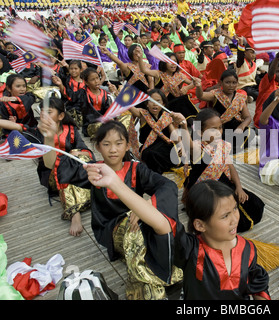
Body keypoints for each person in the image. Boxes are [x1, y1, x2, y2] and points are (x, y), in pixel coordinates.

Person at [84, 162, 270, 300]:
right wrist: (115, 183)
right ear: (199, 225)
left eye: (235, 210)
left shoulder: (249, 249)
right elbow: (159, 222)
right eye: (224, 216)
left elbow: (258, 287)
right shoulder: (191, 250)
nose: (234, 219)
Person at [51, 120, 183, 300]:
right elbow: (57, 167)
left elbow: (167, 186)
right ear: (97, 146)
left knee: (159, 219)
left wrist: (146, 206)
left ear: (128, 145)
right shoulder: (94, 170)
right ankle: (158, 280)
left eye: (119, 143)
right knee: (137, 231)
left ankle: (159, 271)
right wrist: (48, 137)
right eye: (106, 144)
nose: (113, 149)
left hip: (137, 219)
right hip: (110, 227)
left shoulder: (137, 169)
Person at [182, 108, 264, 233]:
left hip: (222, 183)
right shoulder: (198, 147)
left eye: (220, 128)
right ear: (200, 131)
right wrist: (183, 126)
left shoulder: (223, 145)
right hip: (205, 190)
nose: (218, 132)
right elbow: (189, 145)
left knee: (253, 204)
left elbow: (231, 168)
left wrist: (239, 187)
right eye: (213, 129)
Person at [35, 97, 94, 236]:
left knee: (79, 160)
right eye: (42, 112)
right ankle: (75, 214)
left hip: (72, 169)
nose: (44, 116)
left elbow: (87, 152)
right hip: (52, 175)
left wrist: (77, 152)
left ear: (61, 115)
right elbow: (47, 162)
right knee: (63, 166)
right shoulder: (39, 131)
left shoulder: (71, 130)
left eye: (49, 112)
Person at [194, 69, 255, 154]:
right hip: (219, 129)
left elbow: (247, 117)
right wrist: (198, 86)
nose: (231, 85)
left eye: (234, 83)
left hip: (235, 129)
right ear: (221, 83)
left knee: (250, 132)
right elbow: (201, 96)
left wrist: (241, 127)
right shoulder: (215, 94)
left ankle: (229, 149)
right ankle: (225, 148)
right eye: (227, 82)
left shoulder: (240, 97)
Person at [129, 88, 183, 174]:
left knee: (174, 151)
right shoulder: (143, 115)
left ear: (163, 104)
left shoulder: (166, 116)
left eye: (158, 101)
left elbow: (174, 133)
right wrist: (117, 93)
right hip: (149, 147)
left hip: (165, 145)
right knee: (150, 154)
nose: (155, 104)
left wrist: (180, 145)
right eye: (152, 101)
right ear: (147, 104)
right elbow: (132, 109)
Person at [77, 68, 112, 137]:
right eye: (92, 79)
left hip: (104, 121)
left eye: (97, 78)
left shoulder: (104, 93)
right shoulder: (83, 93)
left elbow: (107, 109)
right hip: (91, 124)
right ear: (86, 82)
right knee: (100, 126)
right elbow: (85, 113)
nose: (96, 81)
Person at [52, 60, 85, 128]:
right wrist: (60, 84)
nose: (73, 71)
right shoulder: (67, 80)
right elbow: (67, 95)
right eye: (71, 68)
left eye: (75, 68)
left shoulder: (85, 81)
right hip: (71, 104)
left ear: (80, 70)